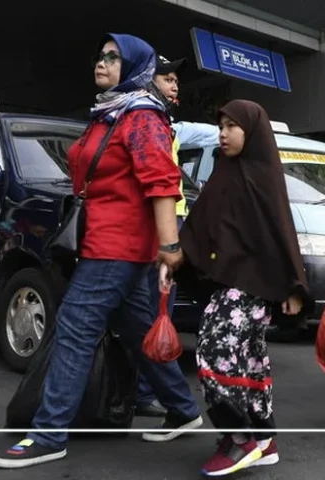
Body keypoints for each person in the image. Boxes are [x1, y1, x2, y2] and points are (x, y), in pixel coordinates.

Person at [0, 34, 203, 470]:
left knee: (73, 328)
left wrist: (169, 247)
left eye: (114, 57)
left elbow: (163, 183)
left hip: (119, 245)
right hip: (104, 242)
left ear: (134, 66)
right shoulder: (110, 112)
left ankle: (49, 434)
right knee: (136, 331)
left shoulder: (140, 115)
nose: (102, 62)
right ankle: (183, 410)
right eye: (100, 55)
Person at [176, 100, 309, 474]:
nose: (224, 132)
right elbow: (202, 226)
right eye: (221, 125)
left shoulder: (264, 175)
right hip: (231, 280)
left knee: (214, 348)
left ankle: (240, 438)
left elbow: (282, 233)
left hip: (255, 285)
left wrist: (294, 287)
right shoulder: (226, 172)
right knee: (248, 358)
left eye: (233, 126)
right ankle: (263, 440)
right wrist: (176, 258)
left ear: (252, 132)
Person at [135, 53, 189, 418]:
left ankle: (145, 390)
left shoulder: (163, 123)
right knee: (152, 311)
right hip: (158, 230)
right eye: (167, 78)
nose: (174, 85)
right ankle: (145, 392)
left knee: (159, 310)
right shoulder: (143, 121)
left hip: (173, 223)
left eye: (175, 80)